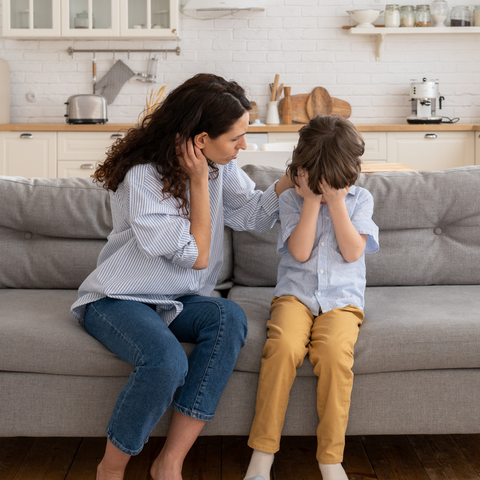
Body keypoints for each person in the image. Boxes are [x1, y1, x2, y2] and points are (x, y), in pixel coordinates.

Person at [70, 73, 294, 480]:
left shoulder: (218, 167)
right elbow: (198, 255)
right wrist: (197, 182)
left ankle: (169, 462)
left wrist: (291, 177)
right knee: (167, 363)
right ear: (200, 139)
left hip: (174, 300)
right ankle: (110, 469)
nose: (243, 146)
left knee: (229, 318)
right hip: (118, 299)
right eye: (235, 138)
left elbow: (253, 215)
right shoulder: (143, 179)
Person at [244, 115, 379, 480]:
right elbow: (300, 253)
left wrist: (335, 203)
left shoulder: (360, 199)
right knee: (283, 348)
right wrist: (309, 202)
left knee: (335, 356)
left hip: (342, 302)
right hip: (295, 297)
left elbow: (353, 253)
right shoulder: (291, 199)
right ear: (303, 172)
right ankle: (262, 456)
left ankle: (330, 458)